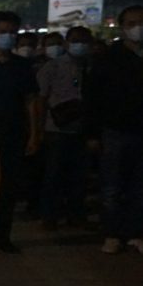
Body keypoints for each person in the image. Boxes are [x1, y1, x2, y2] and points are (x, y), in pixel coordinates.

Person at [0, 11, 40, 252]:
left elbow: (31, 102)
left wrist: (34, 134)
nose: (7, 36)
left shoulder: (22, 66)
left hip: (12, 135)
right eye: (2, 31)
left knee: (7, 189)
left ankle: (1, 237)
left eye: (12, 32)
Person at [87, 4, 143, 253]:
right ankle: (111, 233)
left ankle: (134, 232)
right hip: (114, 131)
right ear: (122, 27)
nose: (137, 28)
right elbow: (92, 99)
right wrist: (92, 133)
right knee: (111, 186)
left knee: (138, 187)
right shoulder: (108, 59)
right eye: (131, 23)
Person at [36, 25, 92, 230]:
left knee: (79, 177)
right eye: (76, 40)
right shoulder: (54, 67)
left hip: (82, 130)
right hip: (57, 130)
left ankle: (75, 215)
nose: (80, 45)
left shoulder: (92, 66)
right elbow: (41, 99)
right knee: (54, 176)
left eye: (85, 41)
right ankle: (49, 216)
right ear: (67, 42)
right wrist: (40, 130)